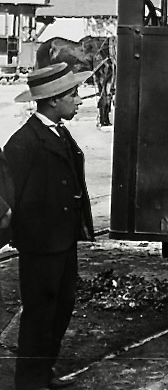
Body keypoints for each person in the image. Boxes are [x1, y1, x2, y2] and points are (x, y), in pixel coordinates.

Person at [5, 62, 95, 390]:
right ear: (54, 100)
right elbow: (7, 197)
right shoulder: (23, 142)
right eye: (73, 94)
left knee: (60, 309)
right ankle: (29, 382)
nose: (79, 99)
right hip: (40, 246)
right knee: (39, 315)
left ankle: (44, 372)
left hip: (62, 242)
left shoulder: (59, 132)